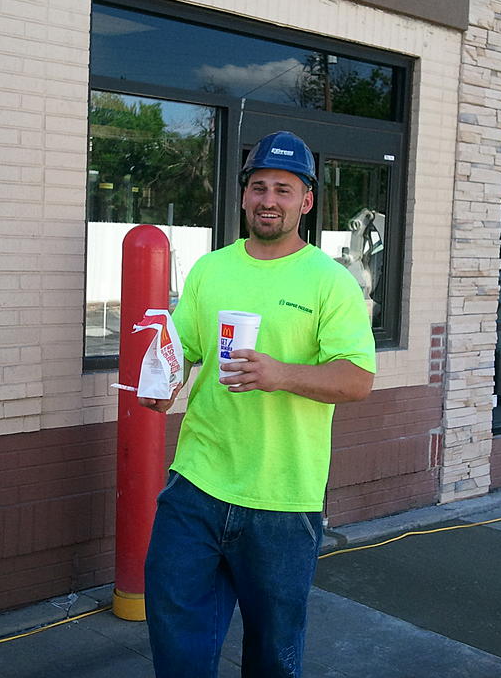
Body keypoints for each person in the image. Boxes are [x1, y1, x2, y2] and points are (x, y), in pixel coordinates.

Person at [137, 131, 376, 677]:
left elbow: (358, 379)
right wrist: (161, 383)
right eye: (259, 187)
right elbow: (182, 351)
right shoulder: (210, 270)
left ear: (306, 201)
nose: (270, 199)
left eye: (284, 190)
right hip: (195, 485)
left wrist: (280, 373)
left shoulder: (330, 282)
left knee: (272, 654)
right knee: (177, 644)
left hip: (282, 500)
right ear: (243, 196)